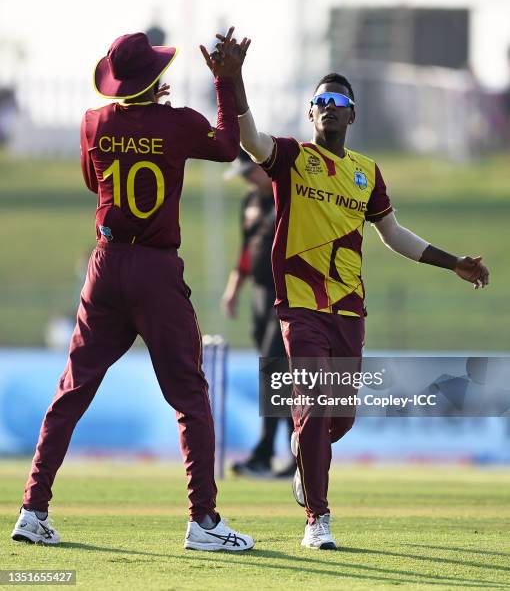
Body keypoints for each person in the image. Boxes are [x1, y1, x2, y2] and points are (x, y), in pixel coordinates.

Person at [212, 30, 489, 550]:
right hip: (300, 306)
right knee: (316, 404)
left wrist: (452, 262)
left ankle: (303, 452)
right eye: (320, 102)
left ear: (352, 116)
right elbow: (250, 140)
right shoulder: (292, 158)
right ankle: (318, 517)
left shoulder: (367, 173)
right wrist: (233, 80)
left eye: (338, 101)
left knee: (339, 417)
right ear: (310, 113)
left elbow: (394, 235)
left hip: (349, 309)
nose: (328, 108)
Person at [11, 28, 254, 552]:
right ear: (157, 77)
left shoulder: (92, 122)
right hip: (155, 269)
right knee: (190, 396)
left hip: (105, 265)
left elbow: (92, 181)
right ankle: (203, 520)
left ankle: (32, 509)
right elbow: (229, 146)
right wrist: (226, 83)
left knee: (72, 390)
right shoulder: (178, 123)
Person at [222, 150, 295, 479]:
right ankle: (288, 454)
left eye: (250, 173)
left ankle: (271, 453)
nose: (247, 180)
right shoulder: (251, 201)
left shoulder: (290, 196)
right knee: (275, 373)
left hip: (289, 294)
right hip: (260, 295)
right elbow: (246, 248)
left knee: (276, 371)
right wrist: (234, 288)